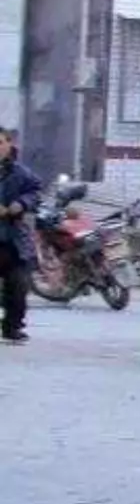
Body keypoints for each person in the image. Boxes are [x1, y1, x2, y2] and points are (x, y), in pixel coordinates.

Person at [0, 128, 43, 344]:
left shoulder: (20, 173)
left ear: (9, 145)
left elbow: (36, 191)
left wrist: (21, 204)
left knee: (18, 286)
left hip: (13, 240)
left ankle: (12, 326)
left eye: (0, 143)